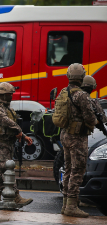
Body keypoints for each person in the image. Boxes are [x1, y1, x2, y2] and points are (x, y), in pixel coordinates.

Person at [0, 82, 33, 209]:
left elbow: (12, 124)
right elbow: (5, 121)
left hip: (8, 142)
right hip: (0, 143)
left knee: (1, 170)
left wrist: (23, 136)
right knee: (6, 168)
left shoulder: (8, 109)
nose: (11, 96)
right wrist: (19, 130)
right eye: (9, 94)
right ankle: (16, 197)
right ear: (2, 95)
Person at [59, 64, 97, 218]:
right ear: (82, 77)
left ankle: (65, 204)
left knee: (68, 169)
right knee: (78, 169)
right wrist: (95, 122)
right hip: (77, 137)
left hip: (65, 134)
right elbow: (89, 117)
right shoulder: (81, 95)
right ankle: (72, 206)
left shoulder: (64, 92)